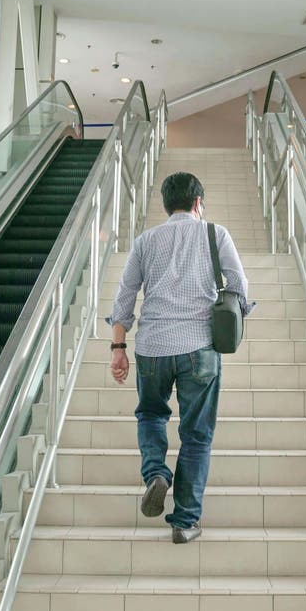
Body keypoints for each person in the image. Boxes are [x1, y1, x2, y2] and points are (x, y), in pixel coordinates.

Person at [105, 171, 253, 544]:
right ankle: (185, 522)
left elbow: (124, 298)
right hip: (199, 348)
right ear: (198, 203)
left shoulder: (145, 241)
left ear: (166, 204)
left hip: (152, 346)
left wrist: (118, 348)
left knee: (152, 414)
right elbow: (238, 288)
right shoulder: (214, 234)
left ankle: (156, 472)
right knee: (197, 435)